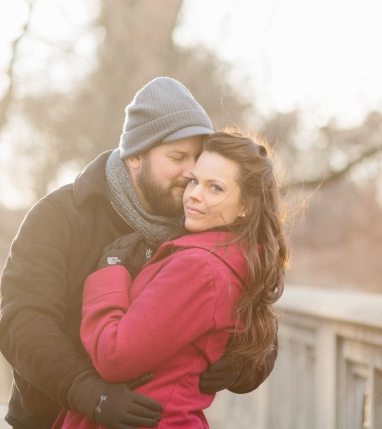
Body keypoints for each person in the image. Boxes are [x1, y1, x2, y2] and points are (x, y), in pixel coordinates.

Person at [0, 77, 277, 429]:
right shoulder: (60, 216)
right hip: (48, 419)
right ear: (135, 157)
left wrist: (243, 363)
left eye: (197, 158)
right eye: (177, 157)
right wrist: (90, 393)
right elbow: (22, 324)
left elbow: (257, 311)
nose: (191, 173)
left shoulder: (201, 222)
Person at [55, 130, 289, 428]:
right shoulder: (234, 258)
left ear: (246, 207)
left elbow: (114, 357)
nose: (194, 195)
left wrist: (109, 272)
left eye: (215, 188)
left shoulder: (199, 268)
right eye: (195, 181)